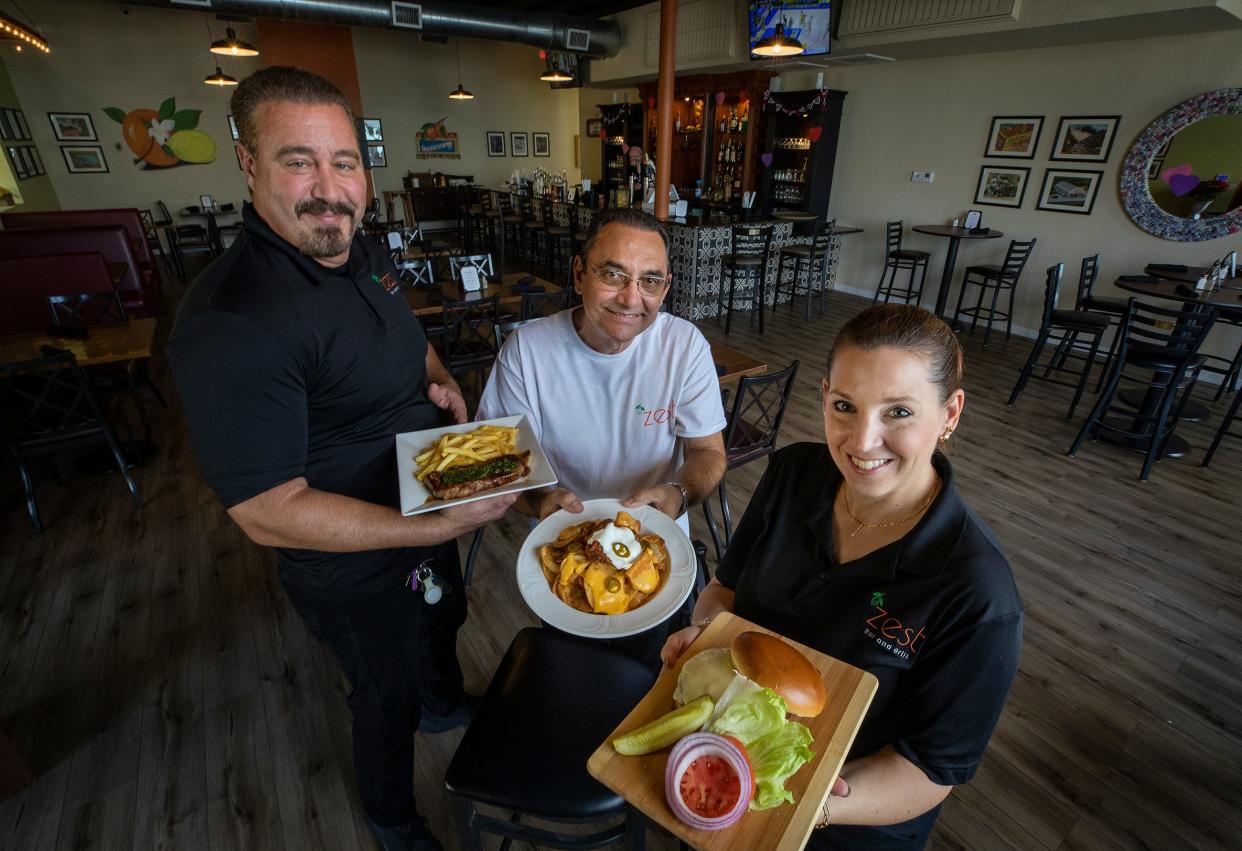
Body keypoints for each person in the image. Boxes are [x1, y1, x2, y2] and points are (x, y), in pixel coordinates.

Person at [168, 66, 514, 851]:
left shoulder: (362, 249)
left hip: (428, 497)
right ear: (249, 164)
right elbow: (267, 508)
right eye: (299, 161)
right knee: (383, 694)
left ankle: (441, 698)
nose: (329, 189)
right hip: (351, 559)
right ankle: (393, 817)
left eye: (345, 162)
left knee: (444, 619)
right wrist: (427, 528)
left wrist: (440, 381)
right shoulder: (233, 320)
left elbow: (407, 336)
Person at [661, 304, 1022, 850]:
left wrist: (801, 805)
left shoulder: (978, 593)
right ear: (825, 394)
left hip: (844, 815)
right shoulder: (791, 474)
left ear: (950, 413)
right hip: (722, 758)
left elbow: (927, 771)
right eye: (845, 406)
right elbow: (725, 591)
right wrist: (706, 637)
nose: (862, 440)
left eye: (898, 412)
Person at [477, 207, 727, 667]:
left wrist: (679, 492)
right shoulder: (528, 351)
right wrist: (536, 502)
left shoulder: (685, 346)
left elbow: (708, 452)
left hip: (661, 552)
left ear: (665, 287)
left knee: (658, 677)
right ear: (579, 274)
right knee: (576, 678)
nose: (632, 299)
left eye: (650, 281)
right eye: (613, 274)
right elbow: (501, 460)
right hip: (565, 548)